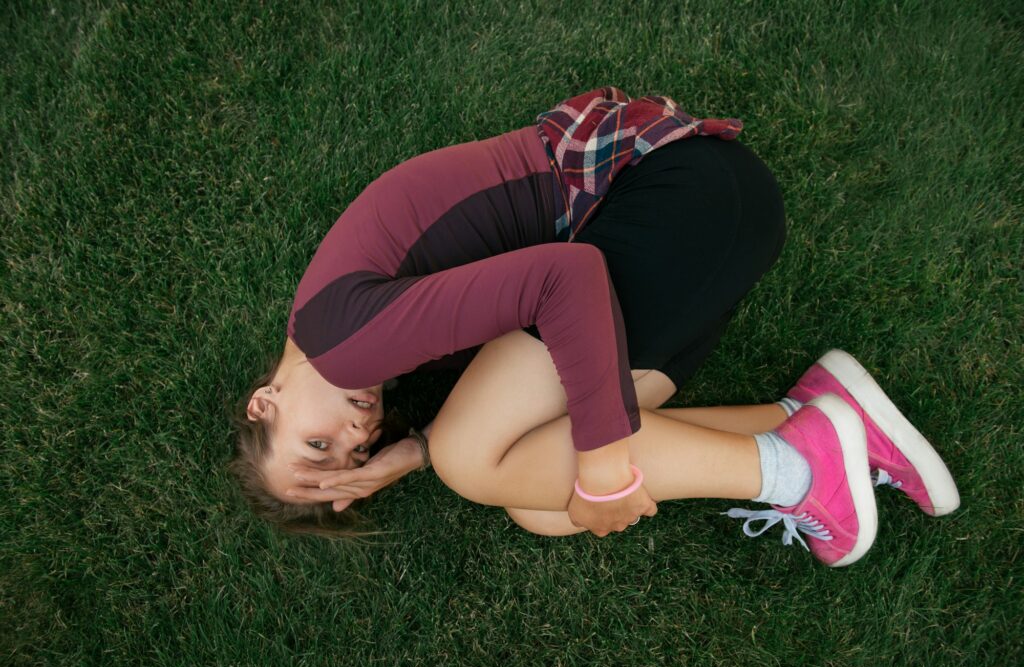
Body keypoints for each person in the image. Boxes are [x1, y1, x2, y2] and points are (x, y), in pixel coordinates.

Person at [231, 88, 959, 565]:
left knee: (472, 457)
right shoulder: (338, 325)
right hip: (709, 218)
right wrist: (411, 452)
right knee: (539, 503)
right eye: (352, 460)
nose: (357, 440)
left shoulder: (345, 344)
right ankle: (813, 416)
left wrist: (609, 466)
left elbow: (565, 279)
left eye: (318, 444)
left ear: (266, 400)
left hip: (679, 196)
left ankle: (802, 471)